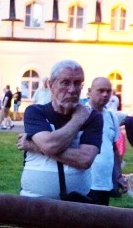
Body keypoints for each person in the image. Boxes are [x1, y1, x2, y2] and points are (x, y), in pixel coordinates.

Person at [17, 60, 102, 199]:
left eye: (78, 83)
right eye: (65, 82)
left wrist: (36, 146)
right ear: (51, 85)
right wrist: (78, 119)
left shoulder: (93, 117)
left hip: (76, 204)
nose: (72, 89)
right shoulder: (35, 112)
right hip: (33, 202)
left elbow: (85, 160)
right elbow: (51, 145)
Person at [86, 77, 123, 205]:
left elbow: (114, 148)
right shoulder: (80, 114)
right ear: (90, 91)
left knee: (100, 221)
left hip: (104, 182)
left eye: (108, 91)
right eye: (100, 90)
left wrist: (119, 175)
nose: (105, 94)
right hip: (85, 181)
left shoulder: (112, 117)